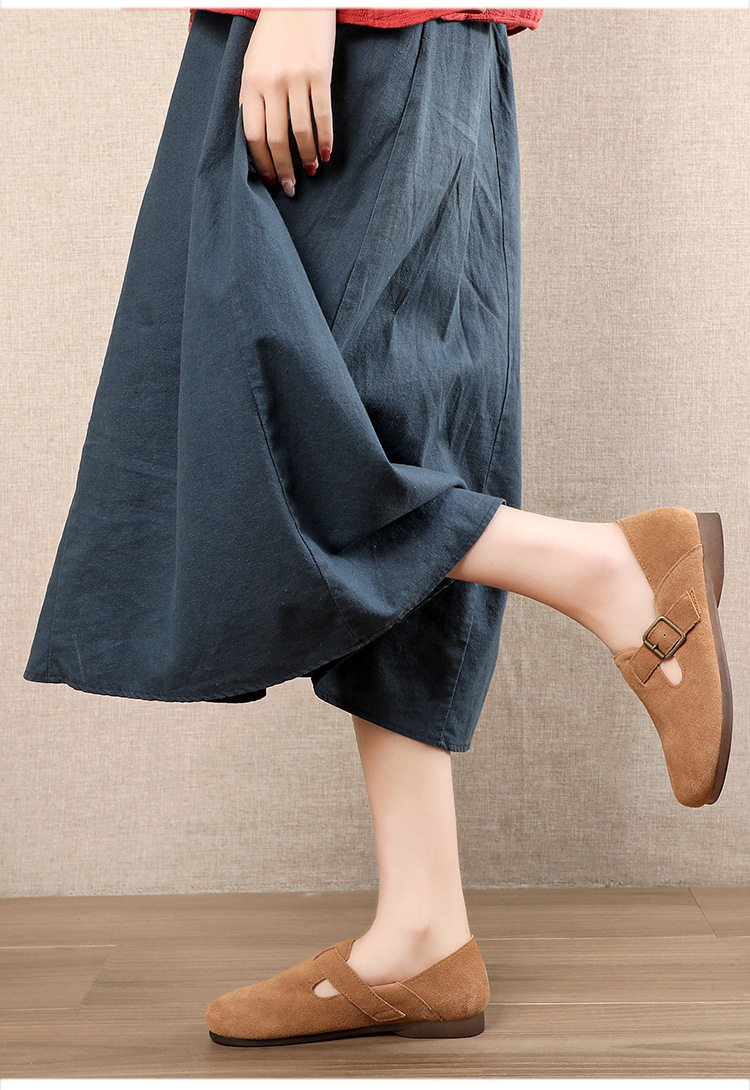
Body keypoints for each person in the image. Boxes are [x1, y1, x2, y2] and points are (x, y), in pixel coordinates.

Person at [23, 7, 731, 1047]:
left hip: (351, 28)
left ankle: (610, 575)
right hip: (421, 37)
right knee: (392, 434)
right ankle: (421, 931)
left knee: (260, 429)